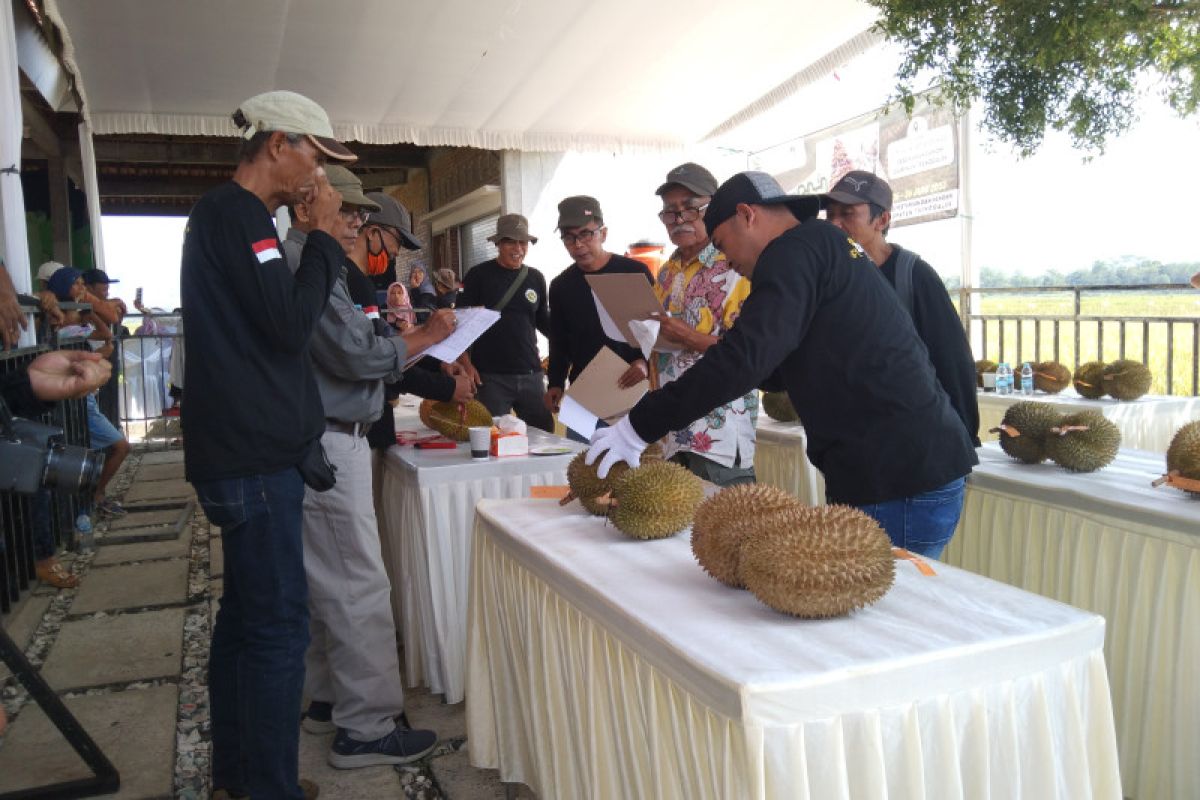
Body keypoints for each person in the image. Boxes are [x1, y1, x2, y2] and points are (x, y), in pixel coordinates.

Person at [587, 172, 978, 559]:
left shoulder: (793, 252)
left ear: (747, 215)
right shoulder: (820, 244)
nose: (727, 260)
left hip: (898, 476)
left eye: (722, 244)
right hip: (895, 467)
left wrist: (641, 425)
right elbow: (771, 366)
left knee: (882, 614)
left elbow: (744, 360)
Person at [181, 89, 355, 800]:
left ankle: (241, 780)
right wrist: (320, 243)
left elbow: (267, 326)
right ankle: (268, 789)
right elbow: (288, 329)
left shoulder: (230, 215)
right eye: (314, 154)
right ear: (279, 143)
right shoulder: (240, 215)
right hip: (252, 460)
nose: (318, 174)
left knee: (245, 623)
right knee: (279, 629)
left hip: (241, 453)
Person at [283, 165, 448, 769]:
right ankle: (367, 728)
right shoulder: (308, 262)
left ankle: (330, 700)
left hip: (331, 432)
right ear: (308, 206)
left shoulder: (312, 260)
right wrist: (426, 335)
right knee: (357, 584)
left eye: (358, 215)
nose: (355, 223)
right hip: (330, 435)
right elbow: (353, 354)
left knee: (331, 580)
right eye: (347, 211)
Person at [823, 170, 980, 445]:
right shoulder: (832, 280)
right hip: (860, 446)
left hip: (918, 443)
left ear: (881, 220)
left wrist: (965, 436)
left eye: (847, 214)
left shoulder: (914, 276)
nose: (834, 224)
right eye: (830, 214)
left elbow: (952, 359)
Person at [651, 163, 757, 486]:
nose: (679, 220)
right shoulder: (667, 272)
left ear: (713, 208)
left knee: (729, 529)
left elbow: (749, 355)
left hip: (718, 434)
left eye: (690, 209)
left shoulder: (735, 264)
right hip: (672, 430)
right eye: (670, 212)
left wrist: (688, 337)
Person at [544, 195, 652, 429]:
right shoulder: (561, 285)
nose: (578, 245)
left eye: (585, 234)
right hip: (586, 397)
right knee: (584, 462)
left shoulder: (634, 272)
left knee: (638, 464)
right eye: (569, 238)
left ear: (603, 233)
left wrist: (645, 363)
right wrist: (555, 382)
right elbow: (559, 340)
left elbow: (657, 330)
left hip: (634, 391)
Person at [455, 213, 553, 431]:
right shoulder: (478, 275)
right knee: (490, 439)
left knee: (544, 437)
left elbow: (543, 321)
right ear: (498, 243)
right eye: (511, 241)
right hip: (490, 379)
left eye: (523, 242)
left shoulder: (535, 277)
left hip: (531, 376)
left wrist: (570, 343)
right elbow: (459, 325)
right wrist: (466, 365)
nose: (518, 248)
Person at [46, 266, 130, 517]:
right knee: (120, 447)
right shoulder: (60, 317)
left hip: (83, 396)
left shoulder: (74, 315)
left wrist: (89, 311)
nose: (81, 288)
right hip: (78, 397)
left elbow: (106, 338)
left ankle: (91, 498)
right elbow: (106, 340)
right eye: (77, 284)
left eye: (83, 283)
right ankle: (95, 496)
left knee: (88, 449)